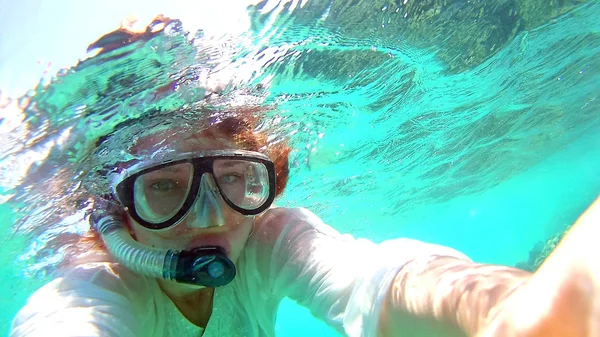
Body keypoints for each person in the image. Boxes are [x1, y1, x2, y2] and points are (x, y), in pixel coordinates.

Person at [10, 16, 600, 337]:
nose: (213, 216)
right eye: (165, 186)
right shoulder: (98, 289)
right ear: (111, 212)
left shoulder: (271, 241)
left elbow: (370, 276)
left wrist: (513, 311)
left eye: (238, 179)